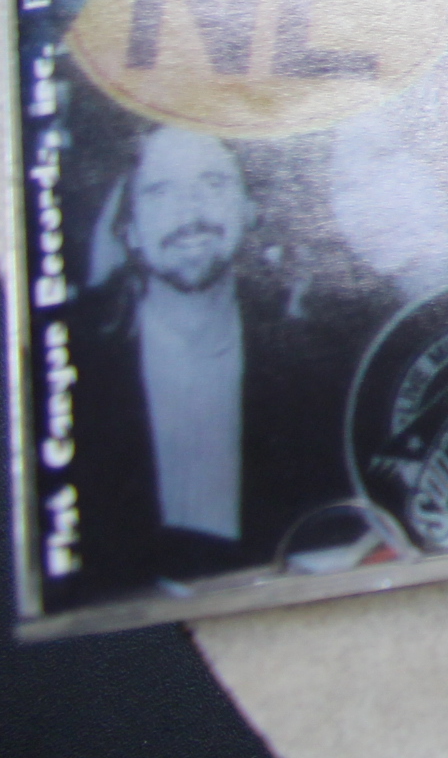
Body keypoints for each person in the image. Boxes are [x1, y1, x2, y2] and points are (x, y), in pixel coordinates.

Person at [51, 127, 354, 596]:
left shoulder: (313, 365)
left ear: (249, 210)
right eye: (160, 191)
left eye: (213, 184)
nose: (190, 212)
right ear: (130, 229)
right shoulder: (72, 367)